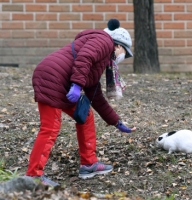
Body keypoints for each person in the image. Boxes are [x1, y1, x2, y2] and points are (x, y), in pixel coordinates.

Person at [25, 19, 136, 187]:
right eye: (125, 53)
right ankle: (33, 176)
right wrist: (77, 85)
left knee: (86, 115)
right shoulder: (104, 41)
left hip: (63, 82)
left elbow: (96, 96)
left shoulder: (99, 62)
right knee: (50, 127)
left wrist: (116, 121)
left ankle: (89, 164)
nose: (123, 57)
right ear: (118, 45)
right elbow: (85, 58)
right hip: (51, 78)